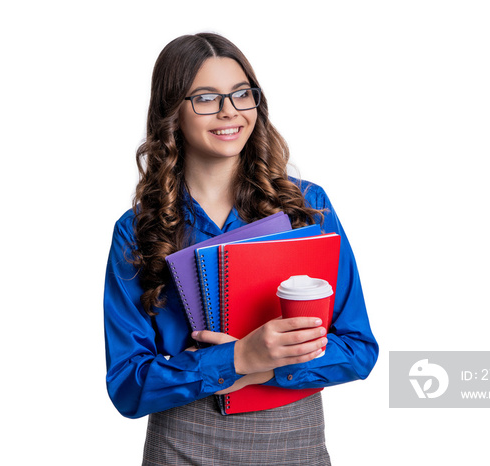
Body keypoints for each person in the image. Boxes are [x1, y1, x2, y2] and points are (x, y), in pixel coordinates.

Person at [104, 32, 378, 465]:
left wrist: (265, 364)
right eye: (206, 98)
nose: (229, 110)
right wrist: (233, 358)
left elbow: (359, 349)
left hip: (294, 444)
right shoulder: (138, 230)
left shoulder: (308, 209)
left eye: (241, 94)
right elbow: (127, 385)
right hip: (181, 446)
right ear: (171, 112)